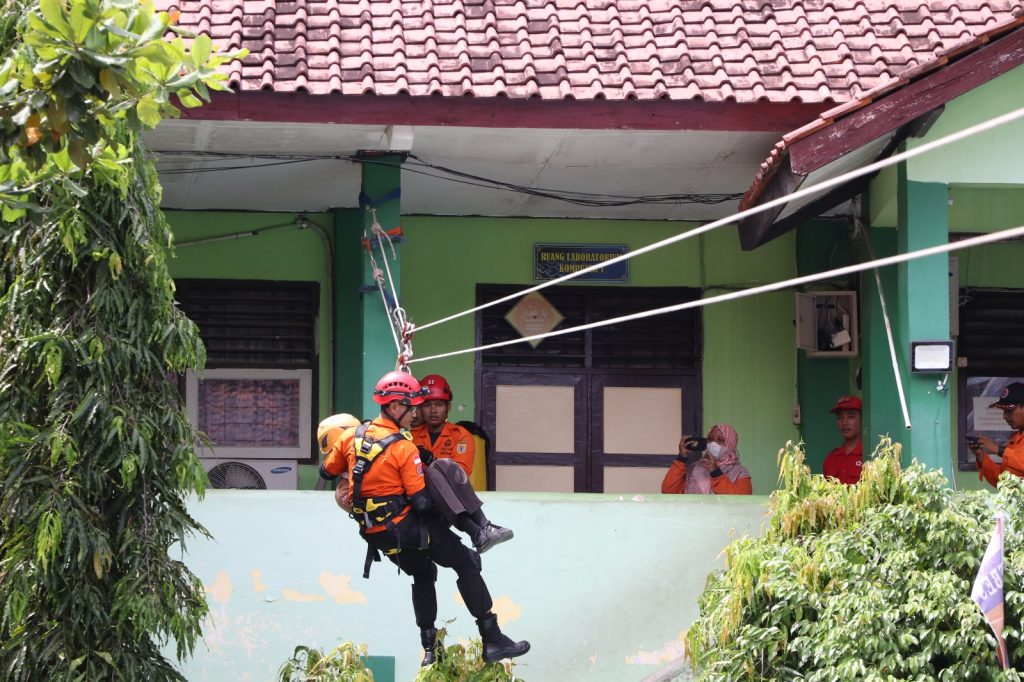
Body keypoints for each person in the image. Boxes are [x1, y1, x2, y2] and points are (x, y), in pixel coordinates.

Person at [335, 370, 530, 667]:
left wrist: (351, 483)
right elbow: (423, 499)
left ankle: (430, 648)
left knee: (423, 573)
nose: (419, 413)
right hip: (409, 523)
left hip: (377, 532)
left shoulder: (355, 436)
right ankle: (492, 639)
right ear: (396, 407)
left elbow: (328, 469)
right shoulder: (402, 444)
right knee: (467, 560)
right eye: (415, 407)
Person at [412, 374, 513, 553]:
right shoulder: (411, 435)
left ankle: (478, 532)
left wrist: (432, 462)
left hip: (450, 501)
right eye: (427, 405)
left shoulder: (461, 436)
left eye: (439, 404)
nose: (433, 410)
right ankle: (483, 527)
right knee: (435, 470)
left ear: (448, 407)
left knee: (439, 468)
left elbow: (460, 476)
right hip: (422, 500)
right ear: (420, 408)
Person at [661, 423, 752, 495]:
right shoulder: (693, 468)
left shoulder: (739, 472)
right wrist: (681, 458)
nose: (713, 443)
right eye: (710, 439)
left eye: (720, 440)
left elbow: (742, 502)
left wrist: (716, 473)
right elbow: (668, 490)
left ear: (731, 444)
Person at [970, 382, 1024, 488]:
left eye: (1009, 410)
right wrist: (980, 455)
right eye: (1003, 411)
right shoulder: (1015, 438)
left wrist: (999, 450)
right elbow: (1002, 482)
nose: (1004, 416)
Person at [822, 395, 863, 484]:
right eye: (840, 417)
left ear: (862, 419)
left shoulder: (869, 456)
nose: (844, 422)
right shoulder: (830, 459)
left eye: (851, 416)